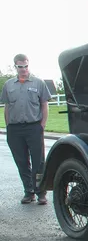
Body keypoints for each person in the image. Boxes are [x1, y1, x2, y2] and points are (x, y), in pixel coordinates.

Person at [1, 53, 52, 204]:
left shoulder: (38, 83)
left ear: (28, 65)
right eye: (20, 67)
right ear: (15, 66)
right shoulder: (9, 85)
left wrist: (42, 125)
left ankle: (40, 192)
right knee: (21, 162)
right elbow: (7, 106)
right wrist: (8, 125)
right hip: (15, 129)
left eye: (26, 66)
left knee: (38, 162)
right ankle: (28, 192)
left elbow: (44, 104)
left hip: (33, 127)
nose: (23, 69)